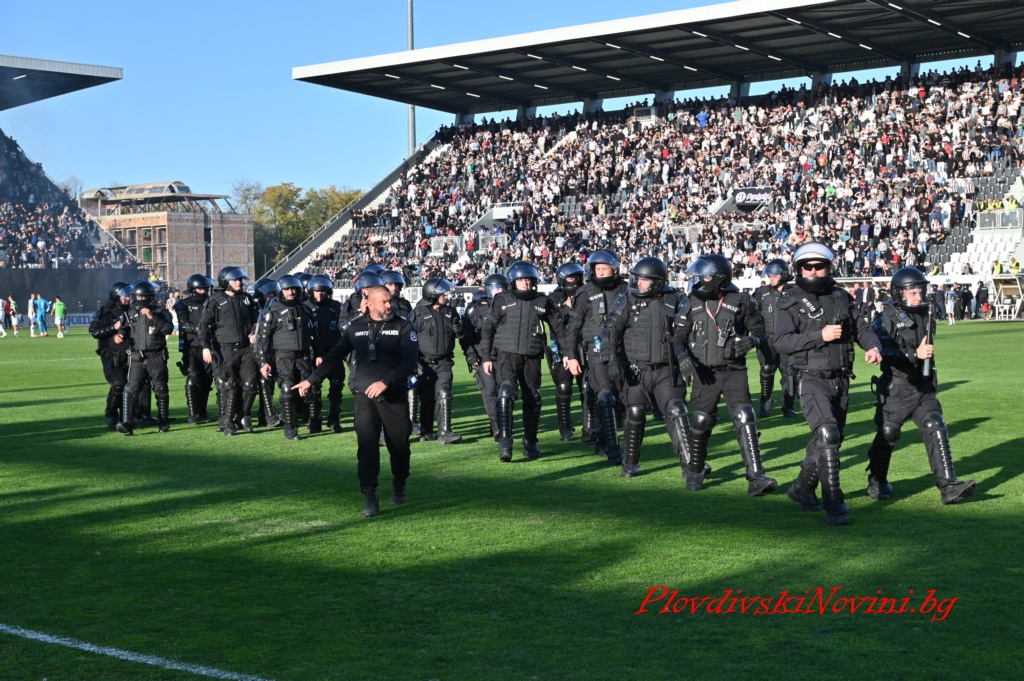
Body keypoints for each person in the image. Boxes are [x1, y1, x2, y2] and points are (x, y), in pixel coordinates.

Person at [774, 242, 883, 526]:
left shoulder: (842, 297)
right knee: (828, 434)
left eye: (819, 266)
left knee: (828, 441)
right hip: (810, 378)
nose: (813, 270)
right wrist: (820, 335)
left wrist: (872, 347)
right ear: (797, 269)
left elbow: (861, 328)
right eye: (807, 266)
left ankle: (801, 489)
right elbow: (781, 342)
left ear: (829, 267)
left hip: (842, 378)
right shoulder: (789, 300)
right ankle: (834, 502)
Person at [294, 286, 419, 517]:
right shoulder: (356, 327)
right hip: (364, 399)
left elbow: (410, 362)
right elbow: (334, 356)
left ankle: (400, 482)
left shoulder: (403, 326)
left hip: (393, 397)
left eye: (389, 301)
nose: (389, 305)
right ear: (369, 304)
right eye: (383, 302)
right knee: (367, 447)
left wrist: (386, 382)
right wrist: (311, 380)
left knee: (400, 447)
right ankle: (370, 496)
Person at [864, 267, 976, 505]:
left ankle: (949, 486)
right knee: (888, 434)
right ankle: (877, 479)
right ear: (899, 293)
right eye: (913, 293)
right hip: (896, 387)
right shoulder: (885, 317)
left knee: (935, 424)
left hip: (922, 387)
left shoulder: (926, 314)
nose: (919, 297)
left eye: (921, 292)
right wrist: (916, 353)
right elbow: (886, 351)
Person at [673, 254, 776, 495]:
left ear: (720, 278)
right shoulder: (690, 302)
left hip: (734, 371)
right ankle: (695, 472)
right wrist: (683, 357)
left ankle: (756, 476)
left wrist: (751, 341)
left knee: (745, 417)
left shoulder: (742, 300)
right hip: (704, 373)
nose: (700, 280)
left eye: (706, 276)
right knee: (700, 421)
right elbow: (677, 338)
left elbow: (760, 331)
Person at [599, 257, 691, 478]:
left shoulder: (676, 300)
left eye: (644, 280)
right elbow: (609, 332)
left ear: (657, 281)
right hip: (636, 370)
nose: (638, 283)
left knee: (677, 410)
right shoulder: (626, 300)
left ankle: (691, 464)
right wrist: (611, 360)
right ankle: (630, 463)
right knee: (635, 412)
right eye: (636, 278)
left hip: (667, 369)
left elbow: (688, 332)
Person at [480, 261, 571, 462]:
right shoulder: (501, 300)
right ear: (513, 281)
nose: (525, 283)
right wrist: (486, 357)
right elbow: (487, 330)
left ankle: (530, 441)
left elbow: (559, 330)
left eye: (529, 280)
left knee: (533, 398)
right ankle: (505, 442)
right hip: (506, 356)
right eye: (521, 280)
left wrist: (566, 353)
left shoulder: (543, 301)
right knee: (505, 394)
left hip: (532, 357)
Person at [564, 250, 629, 465]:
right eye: (597, 269)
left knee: (623, 399)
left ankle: (604, 439)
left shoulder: (626, 289)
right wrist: (571, 356)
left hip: (623, 351)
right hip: (595, 351)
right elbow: (573, 327)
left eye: (604, 268)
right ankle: (612, 448)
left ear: (614, 268)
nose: (600, 272)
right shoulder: (584, 293)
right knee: (605, 394)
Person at [199, 267, 261, 436]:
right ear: (225, 281)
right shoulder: (215, 301)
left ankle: (244, 416)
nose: (239, 283)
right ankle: (227, 421)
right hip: (224, 349)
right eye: (235, 280)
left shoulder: (247, 299)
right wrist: (205, 347)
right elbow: (203, 326)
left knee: (250, 384)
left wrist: (254, 333)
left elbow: (257, 320)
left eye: (240, 279)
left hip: (246, 348)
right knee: (231, 386)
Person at [256, 275, 318, 440]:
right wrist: (264, 362)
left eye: (294, 289)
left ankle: (303, 419)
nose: (291, 292)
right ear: (280, 291)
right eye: (287, 289)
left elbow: (314, 336)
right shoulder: (273, 311)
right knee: (287, 388)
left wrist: (318, 355)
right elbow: (263, 340)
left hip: (303, 357)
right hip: (283, 358)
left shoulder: (305, 310)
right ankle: (291, 430)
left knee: (308, 391)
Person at [409, 277, 465, 444]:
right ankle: (426, 431)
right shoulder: (416, 314)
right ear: (432, 294)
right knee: (426, 397)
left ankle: (445, 432)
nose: (446, 297)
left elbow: (462, 337)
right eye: (443, 294)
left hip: (444, 362)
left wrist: (460, 333)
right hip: (424, 363)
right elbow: (407, 340)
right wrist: (413, 363)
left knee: (444, 392)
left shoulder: (450, 312)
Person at [117, 280, 174, 435]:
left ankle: (163, 421)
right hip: (137, 357)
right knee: (130, 388)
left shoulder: (161, 312)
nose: (139, 300)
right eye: (137, 297)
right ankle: (127, 422)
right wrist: (120, 335)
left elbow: (168, 329)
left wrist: (151, 316)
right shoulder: (130, 313)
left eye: (143, 298)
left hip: (156, 356)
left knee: (161, 388)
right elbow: (125, 329)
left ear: (150, 298)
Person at [461, 274, 508, 439]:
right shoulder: (475, 308)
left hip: (504, 354)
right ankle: (496, 424)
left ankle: (503, 422)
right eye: (495, 288)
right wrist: (471, 354)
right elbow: (466, 335)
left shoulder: (509, 304)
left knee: (505, 390)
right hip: (482, 355)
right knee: (489, 389)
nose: (498, 291)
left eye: (501, 287)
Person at [751, 259, 798, 418]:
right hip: (768, 340)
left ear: (784, 274)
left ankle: (788, 406)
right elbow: (751, 316)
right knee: (767, 369)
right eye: (769, 274)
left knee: (789, 373)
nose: (771, 277)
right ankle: (765, 403)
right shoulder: (761, 293)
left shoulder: (795, 292)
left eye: (775, 274)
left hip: (789, 340)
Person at [548, 262, 586, 441]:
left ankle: (589, 426)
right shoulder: (553, 298)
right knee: (564, 387)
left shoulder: (586, 294)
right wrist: (567, 309)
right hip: (561, 347)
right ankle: (564, 428)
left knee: (587, 387)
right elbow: (555, 324)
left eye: (578, 277)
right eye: (572, 278)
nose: (576, 281)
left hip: (584, 346)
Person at [305, 274, 347, 433]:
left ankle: (333, 419)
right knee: (314, 388)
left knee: (336, 385)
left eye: (323, 290)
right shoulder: (305, 306)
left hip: (333, 352)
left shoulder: (336, 306)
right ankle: (314, 420)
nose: (320, 294)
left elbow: (342, 326)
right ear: (310, 291)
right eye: (316, 291)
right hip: (313, 353)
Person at [89, 281, 132, 428]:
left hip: (131, 354)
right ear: (116, 296)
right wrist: (113, 328)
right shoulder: (105, 311)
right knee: (119, 384)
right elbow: (94, 332)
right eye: (124, 296)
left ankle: (129, 416)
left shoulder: (133, 310)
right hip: (111, 355)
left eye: (129, 296)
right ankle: (111, 412)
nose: (127, 299)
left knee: (133, 385)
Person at [175, 274, 216, 424]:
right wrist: (202, 328)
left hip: (210, 346)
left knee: (206, 380)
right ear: (192, 289)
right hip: (191, 347)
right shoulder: (183, 304)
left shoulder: (212, 302)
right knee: (193, 379)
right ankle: (193, 414)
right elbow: (184, 324)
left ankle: (203, 411)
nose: (203, 291)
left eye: (205, 288)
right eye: (200, 289)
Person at [249, 276, 282, 427]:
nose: (270, 296)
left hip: (272, 347)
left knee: (268, 382)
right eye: (267, 293)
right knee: (256, 383)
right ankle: (266, 415)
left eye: (272, 293)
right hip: (253, 348)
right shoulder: (252, 307)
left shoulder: (277, 307)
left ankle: (266, 415)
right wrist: (249, 335)